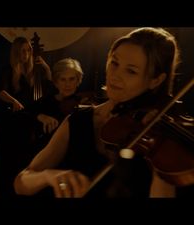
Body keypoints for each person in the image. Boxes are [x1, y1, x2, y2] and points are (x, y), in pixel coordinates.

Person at [14, 27, 183, 198]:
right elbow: (21, 183)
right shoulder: (78, 120)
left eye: (131, 71)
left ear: (156, 80)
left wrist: (162, 160)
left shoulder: (162, 138)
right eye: (114, 63)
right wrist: (48, 176)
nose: (115, 76)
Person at [0, 36, 56, 196]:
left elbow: (47, 93)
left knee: (27, 155)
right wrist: (14, 101)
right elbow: (0, 92)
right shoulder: (8, 70)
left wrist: (47, 70)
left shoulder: (34, 73)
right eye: (22, 51)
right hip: (14, 119)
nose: (26, 54)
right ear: (15, 52)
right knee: (10, 159)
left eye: (28, 50)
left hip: (28, 118)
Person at [30, 58, 89, 152]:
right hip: (46, 152)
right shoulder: (46, 101)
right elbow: (26, 113)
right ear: (56, 82)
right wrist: (40, 116)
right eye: (63, 79)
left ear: (78, 81)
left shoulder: (84, 104)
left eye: (72, 79)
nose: (67, 84)